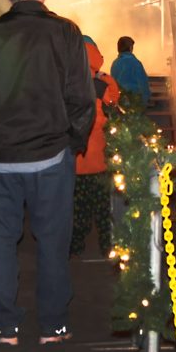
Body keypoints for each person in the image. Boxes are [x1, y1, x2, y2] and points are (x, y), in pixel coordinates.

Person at [0, 0, 95, 346]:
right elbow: (82, 98)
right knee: (53, 242)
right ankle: (53, 323)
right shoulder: (66, 32)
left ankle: (5, 325)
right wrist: (73, 142)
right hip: (51, 157)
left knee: (1, 242)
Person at [70, 36, 119, 258]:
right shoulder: (102, 84)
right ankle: (106, 245)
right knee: (102, 208)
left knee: (77, 208)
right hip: (100, 158)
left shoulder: (67, 83)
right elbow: (115, 103)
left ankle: (76, 245)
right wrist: (107, 80)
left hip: (76, 160)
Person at [111, 36, 151, 108]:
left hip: (120, 102)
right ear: (130, 48)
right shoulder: (135, 63)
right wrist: (145, 100)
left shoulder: (115, 63)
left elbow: (112, 83)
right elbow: (143, 83)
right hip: (135, 101)